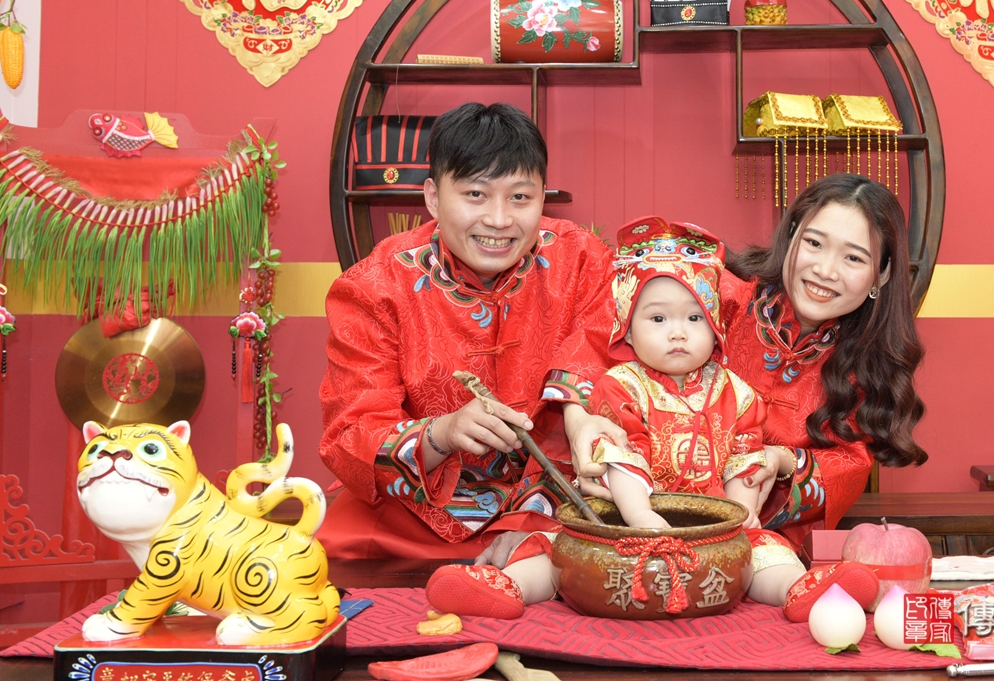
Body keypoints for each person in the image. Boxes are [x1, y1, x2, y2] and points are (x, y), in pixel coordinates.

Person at [423, 217, 878, 620]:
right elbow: (619, 450)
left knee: (766, 556)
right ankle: (507, 588)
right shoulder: (627, 380)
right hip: (622, 518)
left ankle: (805, 591)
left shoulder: (736, 391)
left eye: (695, 319)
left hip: (713, 524)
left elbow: (748, 455)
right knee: (560, 550)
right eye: (658, 320)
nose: (678, 332)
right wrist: (635, 508)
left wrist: (743, 510)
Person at [317, 102, 625, 560]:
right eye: (475, 194)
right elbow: (352, 431)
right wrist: (442, 433)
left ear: (543, 197)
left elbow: (600, 360)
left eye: (520, 197)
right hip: (416, 509)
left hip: (553, 497)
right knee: (332, 556)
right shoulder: (374, 286)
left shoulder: (583, 261)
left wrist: (576, 423)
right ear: (433, 197)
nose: (499, 220)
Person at [576, 174, 928, 551]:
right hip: (638, 513)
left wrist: (782, 460)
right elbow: (596, 335)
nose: (826, 271)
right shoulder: (718, 294)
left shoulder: (865, 365)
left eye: (853, 258)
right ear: (790, 235)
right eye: (814, 243)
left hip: (750, 536)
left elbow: (850, 464)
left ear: (882, 274)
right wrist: (580, 422)